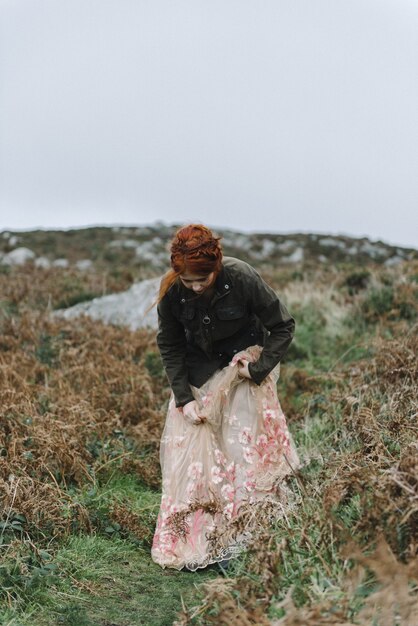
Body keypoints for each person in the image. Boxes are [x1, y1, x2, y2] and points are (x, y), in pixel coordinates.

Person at [151, 224, 300, 571]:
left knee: (242, 455)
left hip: (241, 376)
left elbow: (283, 326)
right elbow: (169, 344)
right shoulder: (172, 291)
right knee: (195, 465)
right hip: (197, 381)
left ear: (216, 267)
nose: (196, 287)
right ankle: (201, 538)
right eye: (188, 281)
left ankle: (249, 538)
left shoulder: (242, 277)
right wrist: (182, 398)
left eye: (202, 280)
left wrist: (259, 368)